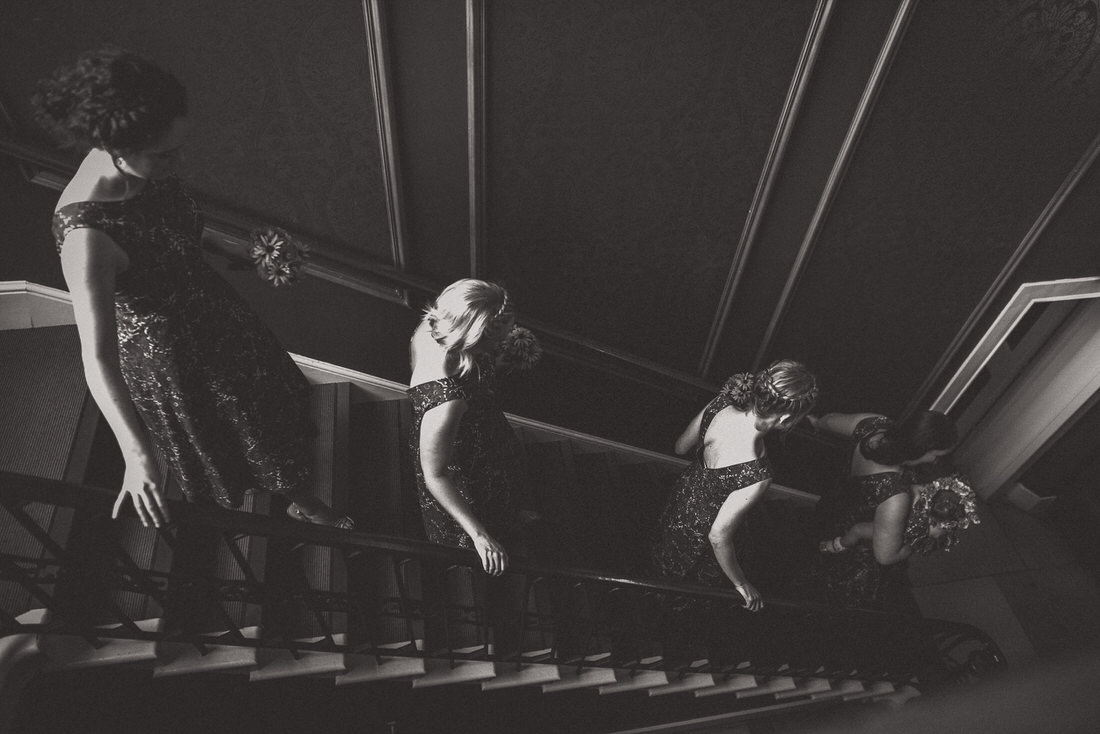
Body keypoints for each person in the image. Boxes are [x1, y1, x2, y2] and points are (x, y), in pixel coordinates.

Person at [36, 46, 351, 529]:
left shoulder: (143, 169)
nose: (177, 161)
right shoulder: (86, 237)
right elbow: (96, 359)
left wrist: (246, 254)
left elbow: (174, 237)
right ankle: (309, 507)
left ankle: (301, 493)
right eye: (165, 154)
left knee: (269, 410)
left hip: (213, 309)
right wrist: (136, 455)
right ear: (119, 151)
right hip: (176, 355)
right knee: (252, 434)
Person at [650, 360, 819, 611]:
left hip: (684, 496)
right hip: (702, 530)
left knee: (666, 556)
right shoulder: (757, 473)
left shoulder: (718, 405)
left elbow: (680, 447)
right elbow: (718, 536)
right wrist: (741, 584)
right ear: (785, 416)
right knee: (690, 591)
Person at [407, 278, 529, 575]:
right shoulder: (447, 402)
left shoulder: (433, 324)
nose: (508, 338)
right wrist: (480, 535)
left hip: (481, 429)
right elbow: (435, 475)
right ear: (474, 339)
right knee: (486, 507)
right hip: (463, 457)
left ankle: (512, 517)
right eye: (499, 339)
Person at [808, 409, 960, 610]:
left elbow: (826, 422)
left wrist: (816, 423)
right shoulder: (895, 496)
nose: (935, 461)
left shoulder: (871, 424)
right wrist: (923, 535)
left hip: (833, 508)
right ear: (920, 449)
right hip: (854, 545)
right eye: (935, 455)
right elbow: (886, 556)